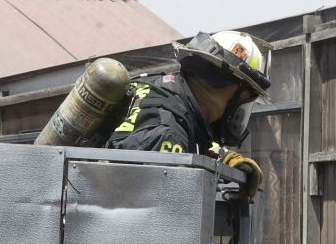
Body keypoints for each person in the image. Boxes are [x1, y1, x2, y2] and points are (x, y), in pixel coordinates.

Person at [107, 30, 271, 197]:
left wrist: (224, 157)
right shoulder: (169, 137)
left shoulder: (162, 90)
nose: (239, 110)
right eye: (244, 98)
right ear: (222, 83)